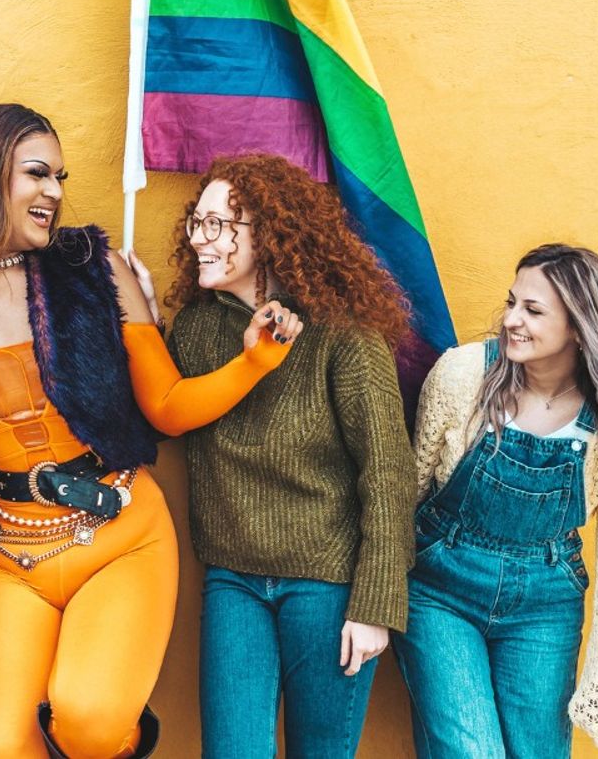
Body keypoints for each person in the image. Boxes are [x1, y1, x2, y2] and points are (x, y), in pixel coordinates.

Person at [0, 104, 302, 759]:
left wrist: (256, 359)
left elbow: (168, 405)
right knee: (10, 748)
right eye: (37, 173)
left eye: (60, 177)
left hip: (119, 533)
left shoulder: (97, 267)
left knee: (90, 722)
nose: (56, 192)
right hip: (8, 547)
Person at [161, 152, 416, 759]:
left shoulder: (345, 335)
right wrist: (139, 315)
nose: (201, 238)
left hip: (327, 588)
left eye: (221, 225)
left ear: (270, 237)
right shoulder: (196, 332)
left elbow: (387, 472)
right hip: (233, 581)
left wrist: (376, 606)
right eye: (198, 221)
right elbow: (161, 413)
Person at [395, 244, 598, 756]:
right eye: (512, 302)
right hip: (439, 590)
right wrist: (376, 594)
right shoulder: (462, 375)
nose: (511, 320)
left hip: (545, 604)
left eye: (533, 310)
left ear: (581, 327)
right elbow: (408, 490)